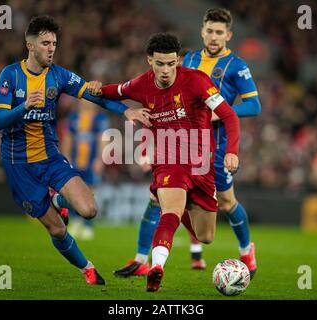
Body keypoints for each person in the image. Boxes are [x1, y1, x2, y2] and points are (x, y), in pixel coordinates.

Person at [0, 15, 150, 285]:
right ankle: (86, 268)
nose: (51, 48)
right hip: (19, 165)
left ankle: (58, 200)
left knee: (89, 209)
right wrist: (24, 107)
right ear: (30, 46)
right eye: (45, 43)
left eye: (54, 42)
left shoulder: (59, 75)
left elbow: (92, 95)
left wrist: (126, 110)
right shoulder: (11, 75)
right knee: (57, 228)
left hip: (50, 156)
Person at [113, 8, 261, 279]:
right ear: (202, 31)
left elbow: (254, 105)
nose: (214, 37)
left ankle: (245, 251)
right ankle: (141, 259)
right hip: (180, 143)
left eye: (220, 32)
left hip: (215, 144)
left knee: (227, 202)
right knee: (156, 197)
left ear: (228, 35)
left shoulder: (238, 66)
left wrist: (221, 111)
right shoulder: (188, 60)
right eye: (210, 31)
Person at [89, 32, 240, 292]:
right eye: (160, 63)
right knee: (169, 212)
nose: (166, 70)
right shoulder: (140, 84)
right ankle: (156, 266)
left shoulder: (197, 81)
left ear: (178, 61)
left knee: (206, 237)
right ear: (150, 60)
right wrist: (95, 89)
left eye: (171, 63)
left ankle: (178, 207)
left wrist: (232, 151)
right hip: (170, 160)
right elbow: (111, 92)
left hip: (202, 164)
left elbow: (229, 116)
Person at [51, 100, 109, 240]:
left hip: (91, 162)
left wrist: (100, 159)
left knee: (90, 192)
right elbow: (68, 138)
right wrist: (66, 157)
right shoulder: (74, 117)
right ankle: (76, 222)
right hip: (75, 161)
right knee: (73, 191)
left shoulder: (100, 118)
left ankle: (88, 226)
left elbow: (103, 139)